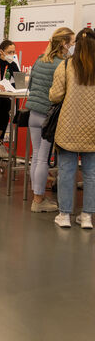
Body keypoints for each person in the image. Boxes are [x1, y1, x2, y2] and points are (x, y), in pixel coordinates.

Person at [49, 28, 95, 229]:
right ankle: (86, 217)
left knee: (67, 171)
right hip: (93, 127)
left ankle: (65, 215)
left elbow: (55, 96)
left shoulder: (67, 64)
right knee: (91, 174)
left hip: (69, 125)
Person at [26, 27, 75, 213]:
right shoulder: (63, 65)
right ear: (64, 43)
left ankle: (37, 197)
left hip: (33, 113)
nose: (72, 46)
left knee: (36, 156)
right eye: (71, 42)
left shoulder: (40, 60)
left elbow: (31, 85)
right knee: (42, 159)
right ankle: (38, 201)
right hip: (49, 116)